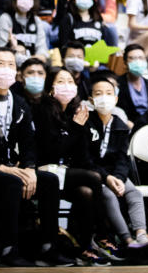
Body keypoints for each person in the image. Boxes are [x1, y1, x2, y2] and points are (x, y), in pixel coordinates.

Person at [0, 47, 70, 266]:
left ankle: (48, 246)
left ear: (16, 72)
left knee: (49, 180)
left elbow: (29, 142)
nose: (6, 69)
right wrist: (2, 168)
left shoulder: (19, 103)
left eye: (11, 65)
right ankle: (9, 248)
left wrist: (29, 168)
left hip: (11, 167)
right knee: (11, 182)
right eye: (0, 64)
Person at [31, 69, 110, 265]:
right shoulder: (42, 110)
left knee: (86, 192)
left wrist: (80, 129)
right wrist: (75, 127)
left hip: (66, 172)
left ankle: (83, 247)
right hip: (44, 170)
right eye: (61, 81)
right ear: (51, 88)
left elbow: (82, 157)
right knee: (93, 178)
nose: (67, 84)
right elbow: (52, 151)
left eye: (70, 81)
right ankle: (103, 235)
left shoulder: (77, 111)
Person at [86, 72, 148, 257]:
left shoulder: (120, 124)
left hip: (115, 173)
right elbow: (85, 158)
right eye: (98, 93)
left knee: (134, 193)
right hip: (95, 174)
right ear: (90, 99)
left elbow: (123, 158)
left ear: (115, 98)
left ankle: (142, 235)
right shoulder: (86, 123)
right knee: (108, 194)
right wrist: (107, 178)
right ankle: (128, 240)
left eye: (108, 93)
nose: (103, 97)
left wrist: (120, 178)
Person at [116, 43, 148, 126]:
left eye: (141, 58)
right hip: (126, 127)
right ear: (125, 63)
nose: (138, 61)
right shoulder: (117, 84)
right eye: (133, 58)